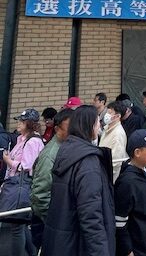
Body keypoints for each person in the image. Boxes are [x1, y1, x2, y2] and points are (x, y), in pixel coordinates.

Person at [42, 105, 115, 256]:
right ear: (89, 125)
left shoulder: (66, 151)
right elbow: (91, 214)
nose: (99, 126)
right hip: (78, 244)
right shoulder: (88, 162)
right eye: (97, 122)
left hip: (64, 240)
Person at [2, 108, 44, 256]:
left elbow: (26, 167)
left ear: (29, 123)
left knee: (16, 226)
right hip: (16, 185)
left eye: (22, 121)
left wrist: (8, 161)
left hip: (22, 187)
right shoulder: (22, 139)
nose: (18, 123)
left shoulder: (32, 142)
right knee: (21, 226)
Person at [114, 129, 146, 256]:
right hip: (136, 248)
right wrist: (127, 250)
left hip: (145, 244)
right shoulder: (127, 183)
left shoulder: (145, 173)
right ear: (137, 152)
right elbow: (119, 221)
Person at [30, 108, 72, 249]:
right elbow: (40, 195)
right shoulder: (51, 155)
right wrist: (55, 221)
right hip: (48, 224)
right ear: (57, 129)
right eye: (69, 128)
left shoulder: (65, 148)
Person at [99, 100, 128, 183]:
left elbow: (116, 162)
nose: (107, 115)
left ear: (118, 116)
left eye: (110, 113)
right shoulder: (107, 129)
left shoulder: (118, 134)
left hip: (109, 178)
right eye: (107, 112)